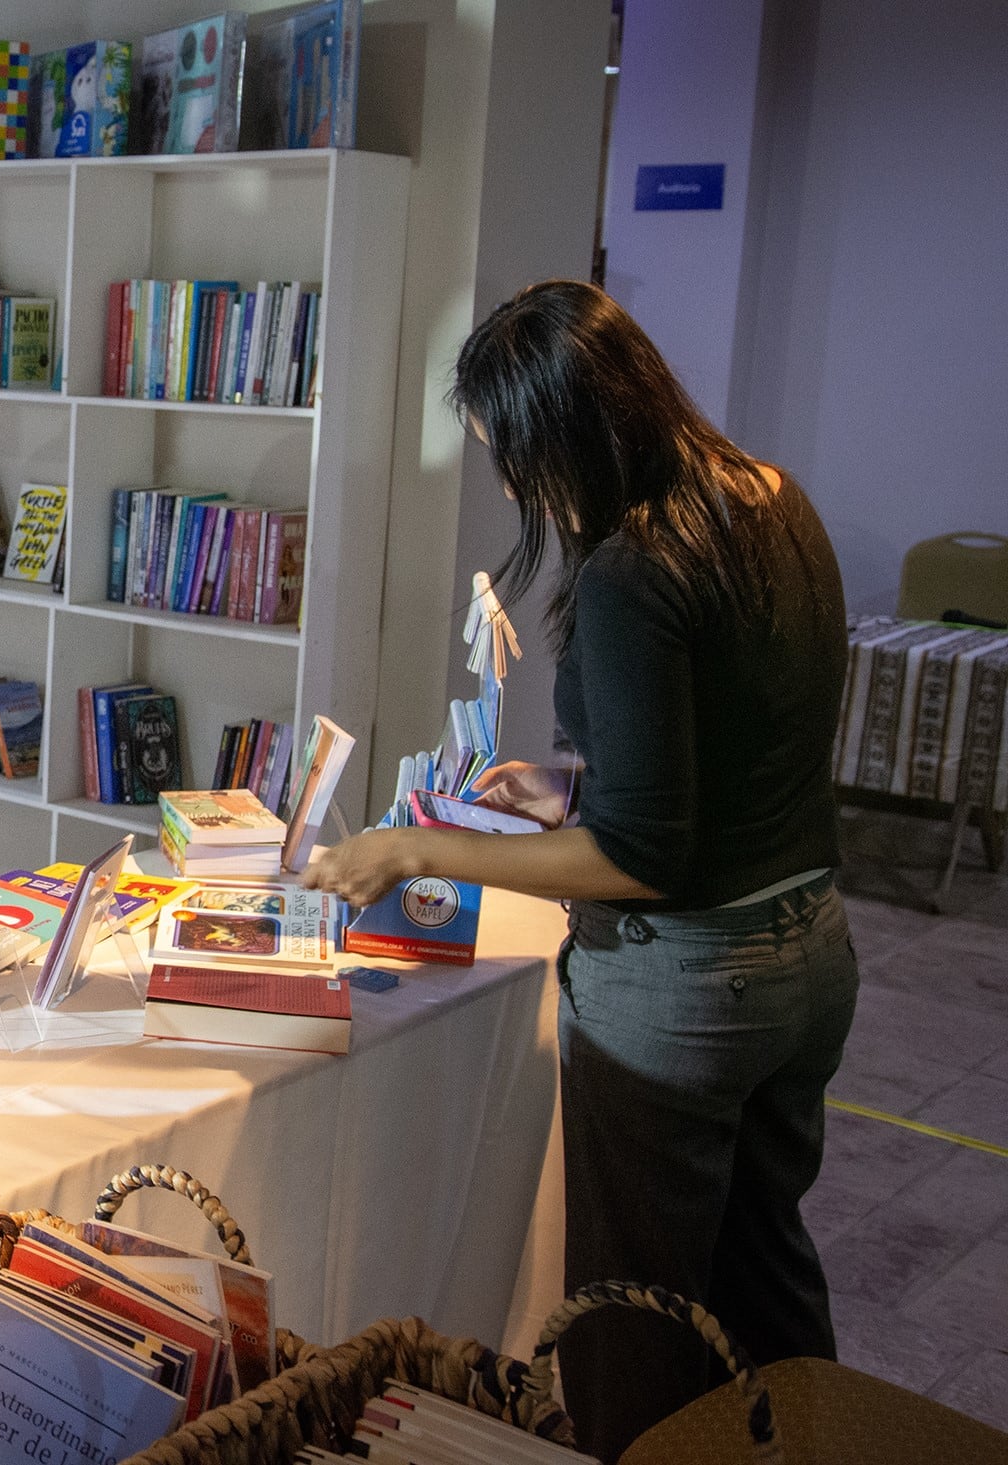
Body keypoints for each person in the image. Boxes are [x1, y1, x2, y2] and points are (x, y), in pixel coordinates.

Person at [302, 280, 856, 1461]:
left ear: (575, 432)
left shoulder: (631, 568)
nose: (511, 487)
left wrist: (413, 845)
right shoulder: (770, 499)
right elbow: (752, 739)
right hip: (810, 951)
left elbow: (639, 858)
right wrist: (576, 788)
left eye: (516, 453)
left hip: (687, 995)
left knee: (633, 1321)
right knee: (768, 1280)